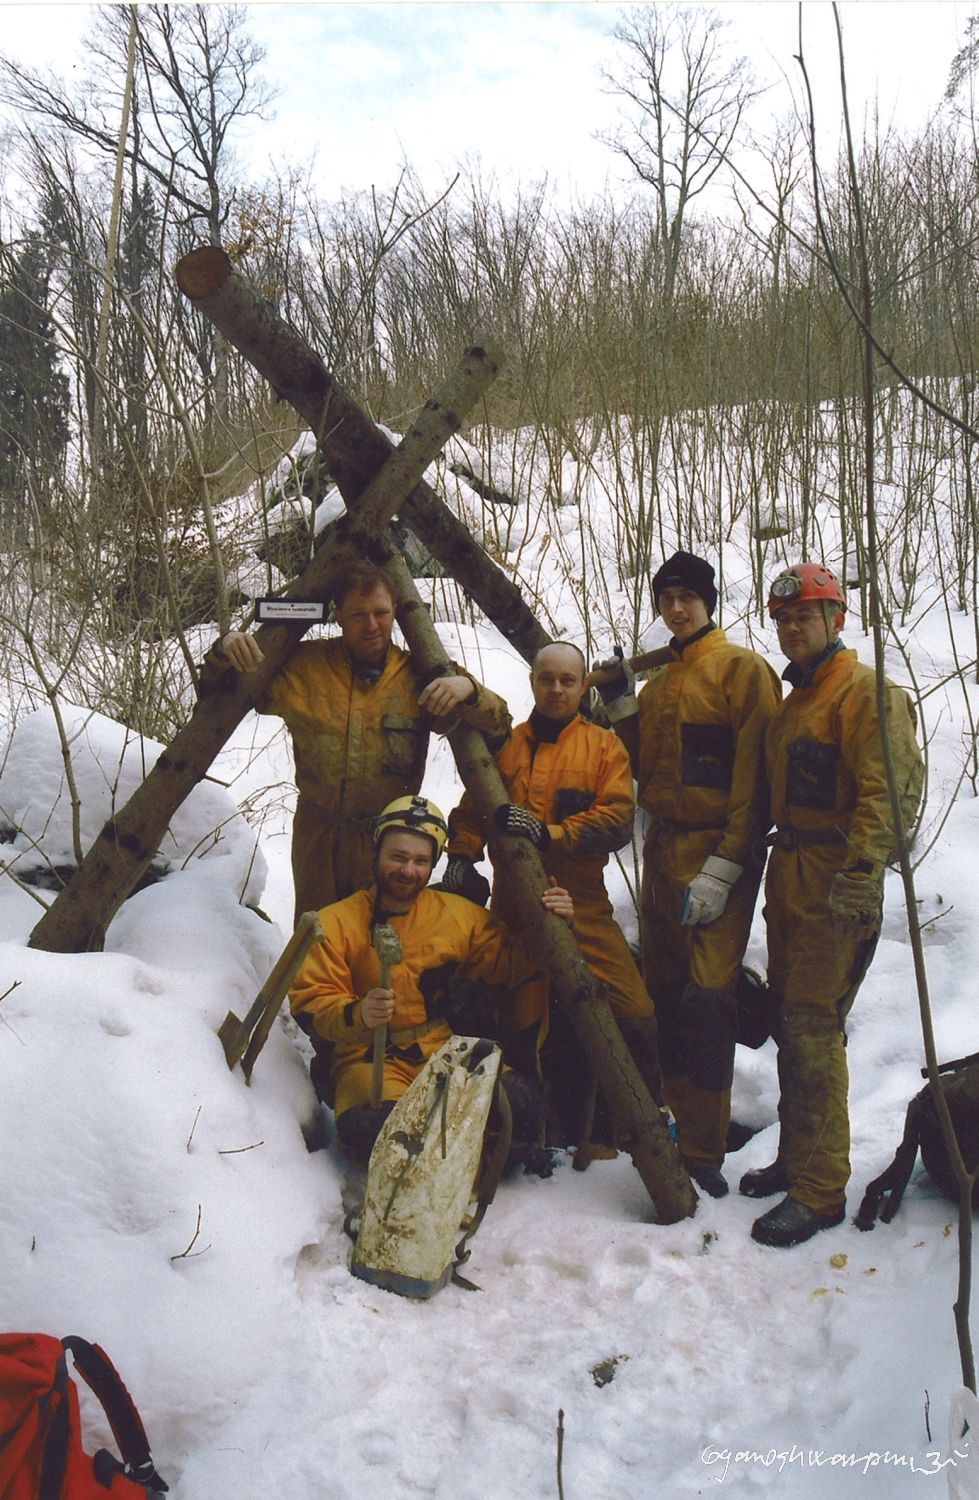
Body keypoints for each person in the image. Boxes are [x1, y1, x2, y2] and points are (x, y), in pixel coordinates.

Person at [743, 562, 924, 1248]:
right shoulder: (797, 701)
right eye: (783, 620)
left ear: (836, 619)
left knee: (814, 1030)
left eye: (805, 617)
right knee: (791, 1024)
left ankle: (819, 1191)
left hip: (833, 880)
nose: (792, 629)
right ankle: (796, 1159)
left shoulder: (863, 693)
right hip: (789, 872)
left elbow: (888, 789)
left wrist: (861, 872)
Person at [599, 551, 781, 1198]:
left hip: (715, 853)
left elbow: (756, 781)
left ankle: (704, 1150)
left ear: (709, 603)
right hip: (663, 854)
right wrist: (621, 704)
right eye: (666, 597)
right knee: (664, 995)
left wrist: (726, 867)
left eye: (688, 597)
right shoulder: (660, 684)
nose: (676, 608)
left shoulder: (741, 672)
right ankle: (668, 1126)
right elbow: (642, 765)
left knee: (708, 1001)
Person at [444, 641, 659, 1142]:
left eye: (568, 680)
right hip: (513, 905)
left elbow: (617, 821)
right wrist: (461, 855)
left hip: (581, 903)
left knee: (636, 1014)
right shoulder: (505, 746)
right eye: (548, 679)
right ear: (533, 683)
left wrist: (551, 834)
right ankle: (522, 1133)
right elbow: (474, 807)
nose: (558, 689)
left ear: (584, 685)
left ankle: (636, 1129)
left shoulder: (604, 748)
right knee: (516, 1016)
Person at [288, 794, 573, 1167]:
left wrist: (554, 926)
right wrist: (357, 1013)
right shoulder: (337, 921)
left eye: (421, 861)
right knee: (376, 1130)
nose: (408, 870)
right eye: (398, 857)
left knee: (522, 1104)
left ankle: (455, 1153)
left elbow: (512, 963)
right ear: (376, 853)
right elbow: (311, 1002)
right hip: (369, 1057)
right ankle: (442, 1153)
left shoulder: (458, 916)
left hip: (443, 1052)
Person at [216, 562, 511, 922]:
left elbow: (500, 726)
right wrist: (225, 648)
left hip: (389, 844)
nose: (371, 626)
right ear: (338, 616)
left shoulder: (417, 674)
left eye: (381, 613)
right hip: (318, 838)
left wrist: (469, 691)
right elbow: (219, 694)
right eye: (358, 615)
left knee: (382, 945)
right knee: (317, 940)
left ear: (396, 613)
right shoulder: (305, 667)